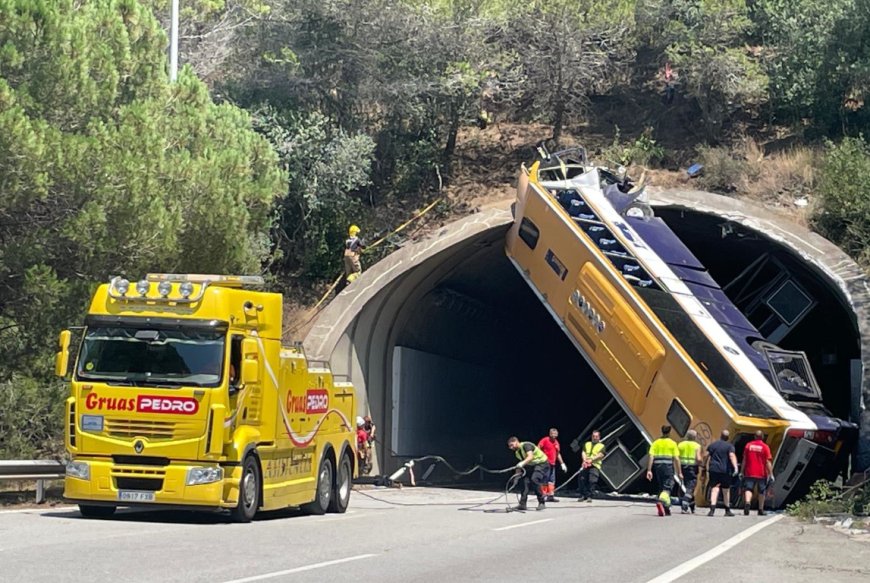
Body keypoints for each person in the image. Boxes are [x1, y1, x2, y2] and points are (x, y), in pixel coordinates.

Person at [646, 425, 682, 516]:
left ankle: (666, 508)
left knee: (662, 487)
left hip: (658, 467)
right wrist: (679, 472)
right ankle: (661, 501)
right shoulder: (672, 443)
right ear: (669, 432)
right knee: (668, 486)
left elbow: (651, 456)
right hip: (668, 467)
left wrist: (649, 470)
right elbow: (677, 459)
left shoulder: (656, 443)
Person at [507, 436, 549, 511]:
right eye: (509, 446)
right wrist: (516, 476)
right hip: (532, 465)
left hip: (542, 463)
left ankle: (542, 502)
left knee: (534, 479)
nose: (511, 447)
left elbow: (530, 457)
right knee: (524, 482)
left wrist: (522, 463)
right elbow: (522, 464)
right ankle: (522, 504)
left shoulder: (526, 445)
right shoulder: (517, 453)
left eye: (512, 445)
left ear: (516, 442)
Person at [705, 429, 739, 517]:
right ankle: (727, 510)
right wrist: (735, 467)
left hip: (714, 469)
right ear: (728, 437)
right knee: (726, 490)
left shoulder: (713, 445)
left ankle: (712, 509)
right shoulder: (730, 446)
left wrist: (703, 465)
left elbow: (706, 455)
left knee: (714, 488)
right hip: (725, 471)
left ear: (721, 435)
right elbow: (732, 456)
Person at [741, 430, 774, 516]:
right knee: (761, 491)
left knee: (748, 489)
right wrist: (771, 473)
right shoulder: (765, 447)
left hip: (749, 472)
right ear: (762, 437)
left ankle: (747, 503)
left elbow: (744, 459)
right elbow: (767, 462)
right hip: (761, 473)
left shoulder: (748, 445)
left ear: (754, 436)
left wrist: (741, 471)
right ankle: (760, 509)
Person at [537, 428, 567, 502]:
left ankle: (551, 496)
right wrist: (539, 458)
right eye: (552, 433)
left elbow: (558, 454)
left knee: (551, 480)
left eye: (555, 434)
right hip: (545, 463)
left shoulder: (557, 443)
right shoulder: (545, 440)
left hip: (552, 464)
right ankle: (543, 495)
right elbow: (538, 448)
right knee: (545, 479)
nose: (553, 435)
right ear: (549, 434)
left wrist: (562, 463)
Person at [677, 429, 703, 513]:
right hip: (692, 468)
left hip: (682, 467)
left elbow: (677, 458)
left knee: (687, 486)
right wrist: (702, 463)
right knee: (690, 487)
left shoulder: (680, 445)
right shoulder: (697, 446)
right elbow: (698, 458)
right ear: (695, 437)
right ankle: (684, 505)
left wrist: (678, 471)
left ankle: (692, 506)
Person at [578, 430, 606, 502]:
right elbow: (583, 452)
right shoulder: (587, 444)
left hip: (595, 465)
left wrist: (592, 459)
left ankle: (590, 496)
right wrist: (584, 460)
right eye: (593, 436)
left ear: (599, 437)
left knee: (592, 480)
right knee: (582, 479)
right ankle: (583, 495)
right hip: (586, 464)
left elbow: (601, 455)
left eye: (596, 436)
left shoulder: (602, 446)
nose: (595, 438)